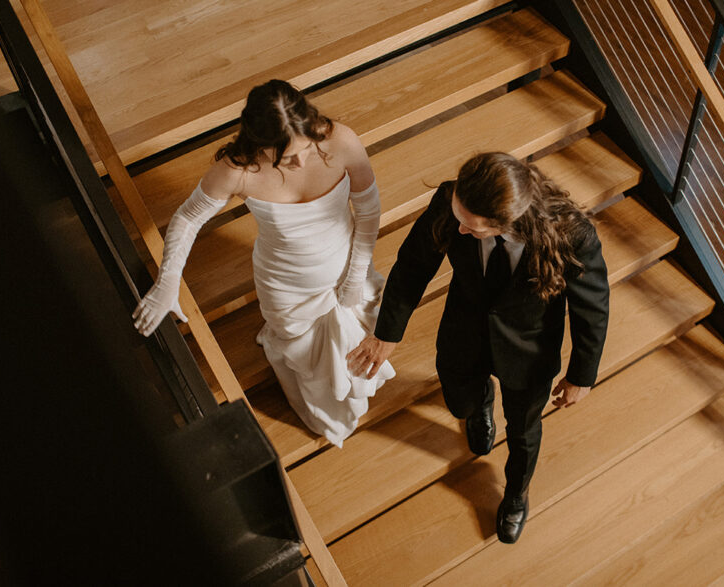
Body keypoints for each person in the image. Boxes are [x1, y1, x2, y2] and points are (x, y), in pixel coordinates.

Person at [347, 152, 609, 544]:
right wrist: (387, 333)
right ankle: (480, 404)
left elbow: (593, 309)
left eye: (474, 228)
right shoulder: (452, 204)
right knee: (461, 404)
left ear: (508, 221)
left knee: (523, 432)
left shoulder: (573, 234)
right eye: (459, 219)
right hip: (464, 329)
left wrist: (581, 375)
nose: (461, 231)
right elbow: (413, 265)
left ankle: (516, 495)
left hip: (529, 350)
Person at [133, 80, 394, 446]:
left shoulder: (340, 140)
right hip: (287, 286)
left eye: (306, 148)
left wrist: (354, 275)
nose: (301, 162)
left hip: (348, 263)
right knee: (309, 366)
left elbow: (367, 208)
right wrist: (168, 280)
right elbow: (188, 218)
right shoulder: (238, 170)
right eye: (286, 157)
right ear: (260, 144)